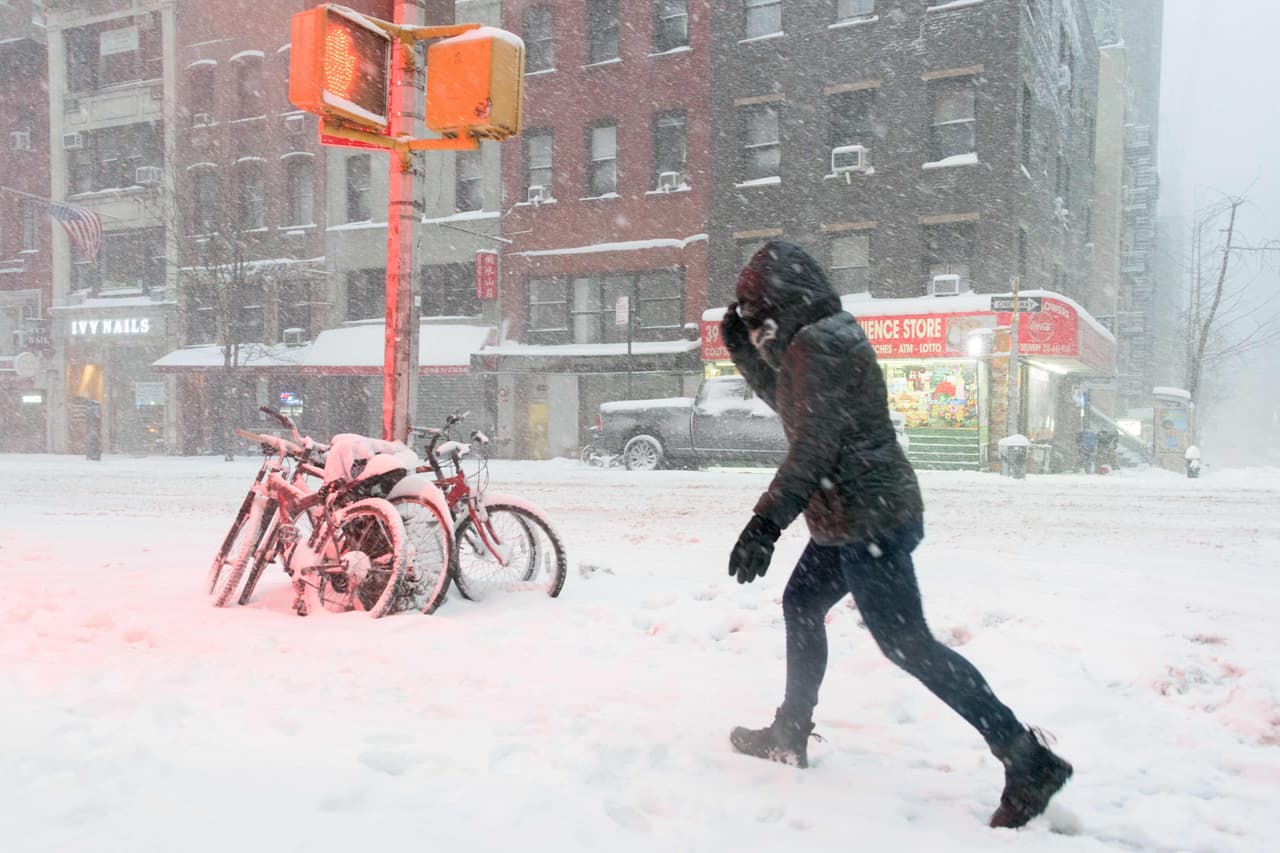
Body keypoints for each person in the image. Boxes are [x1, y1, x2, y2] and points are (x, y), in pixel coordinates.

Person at [720, 241, 1072, 829]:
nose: (757, 330)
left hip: (867, 520)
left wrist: (765, 524)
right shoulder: (823, 335)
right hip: (854, 516)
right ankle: (790, 730)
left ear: (778, 305)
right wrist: (743, 353)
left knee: (909, 645)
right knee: (803, 604)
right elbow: (796, 407)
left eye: (757, 318)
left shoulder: (818, 347)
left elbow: (814, 445)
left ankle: (1025, 757)